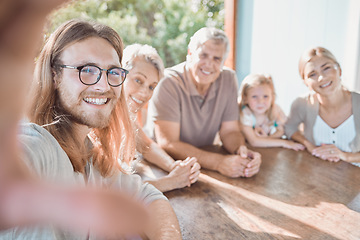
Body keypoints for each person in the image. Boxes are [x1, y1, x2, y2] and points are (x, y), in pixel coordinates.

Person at [0, 18, 181, 240]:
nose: (103, 85)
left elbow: (147, 196)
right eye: (86, 69)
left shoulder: (91, 154)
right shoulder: (38, 145)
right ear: (54, 75)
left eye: (112, 72)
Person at [145, 27, 262, 178]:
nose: (209, 64)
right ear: (190, 54)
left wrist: (241, 152)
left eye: (216, 59)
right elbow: (169, 143)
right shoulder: (168, 82)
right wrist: (218, 163)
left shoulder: (228, 79)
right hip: (162, 167)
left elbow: (230, 131)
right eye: (203, 55)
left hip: (201, 165)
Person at [122, 44, 201, 192]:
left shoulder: (125, 116)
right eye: (138, 80)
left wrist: (175, 166)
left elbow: (147, 146)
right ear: (119, 74)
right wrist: (171, 181)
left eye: (151, 87)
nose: (145, 93)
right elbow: (116, 191)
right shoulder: (100, 117)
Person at [285, 46, 360, 167]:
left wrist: (345, 156)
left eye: (326, 68)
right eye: (312, 74)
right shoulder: (301, 104)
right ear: (306, 82)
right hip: (315, 179)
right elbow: (289, 128)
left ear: (339, 70)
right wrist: (309, 146)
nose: (321, 78)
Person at [238, 73, 305, 150]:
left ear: (272, 97)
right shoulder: (245, 113)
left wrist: (267, 138)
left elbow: (281, 131)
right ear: (245, 98)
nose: (260, 101)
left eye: (265, 96)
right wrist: (284, 143)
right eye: (254, 97)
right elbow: (254, 141)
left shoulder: (275, 110)